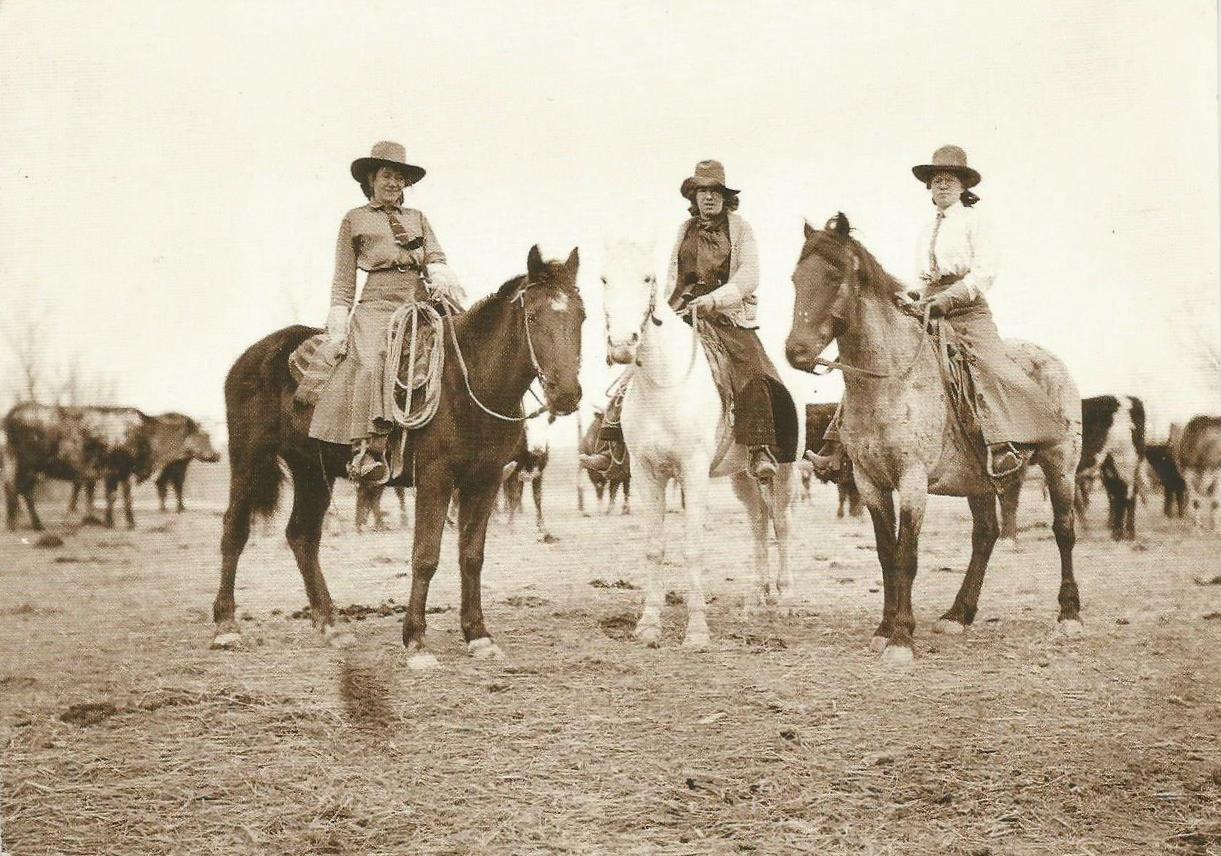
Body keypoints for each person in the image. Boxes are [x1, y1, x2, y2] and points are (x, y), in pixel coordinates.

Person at [810, 144, 1065, 480]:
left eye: (950, 179)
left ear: (963, 186)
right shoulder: (925, 230)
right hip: (928, 306)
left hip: (968, 309)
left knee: (989, 365)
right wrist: (909, 296)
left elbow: (985, 272)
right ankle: (837, 445)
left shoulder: (976, 221)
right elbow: (922, 279)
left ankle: (1003, 444)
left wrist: (950, 298)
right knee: (880, 357)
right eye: (936, 180)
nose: (942, 185)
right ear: (929, 187)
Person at [582, 159, 797, 481]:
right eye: (701, 191)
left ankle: (760, 448)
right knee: (636, 367)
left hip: (727, 316)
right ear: (693, 197)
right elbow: (672, 278)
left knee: (752, 370)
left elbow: (750, 275)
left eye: (714, 191)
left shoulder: (741, 228)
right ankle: (612, 446)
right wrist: (665, 312)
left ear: (725, 197)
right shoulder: (684, 231)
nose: (708, 197)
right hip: (682, 313)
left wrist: (715, 299)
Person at [308, 141, 465, 484]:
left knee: (464, 345)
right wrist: (338, 320)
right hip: (378, 301)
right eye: (387, 175)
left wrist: (439, 277)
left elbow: (436, 258)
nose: (394, 183)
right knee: (374, 358)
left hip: (420, 298)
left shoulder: (418, 218)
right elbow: (344, 278)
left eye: (399, 177)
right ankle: (369, 448)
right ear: (371, 178)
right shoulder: (355, 220)